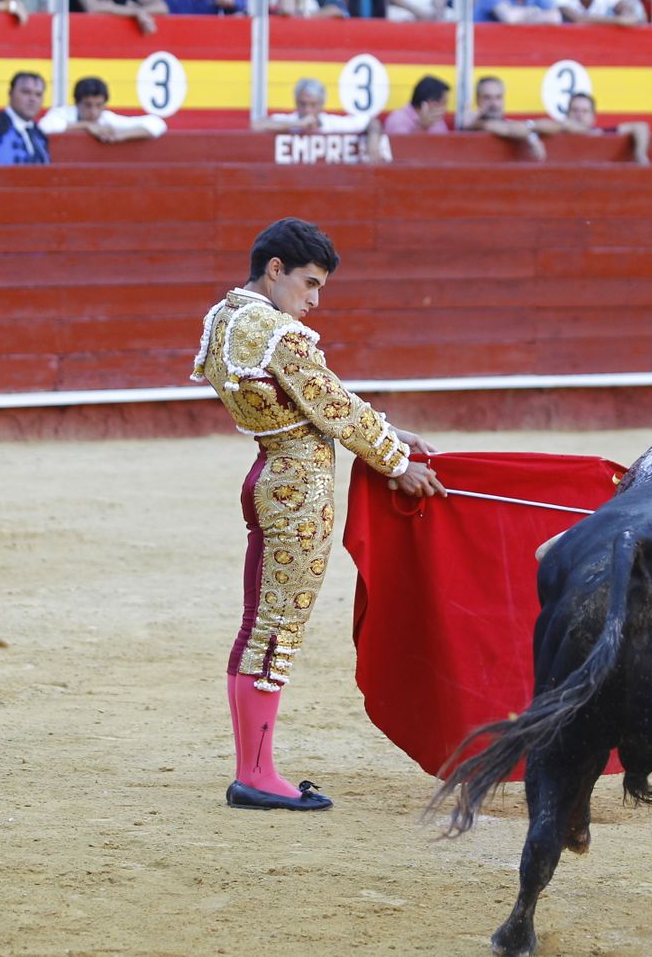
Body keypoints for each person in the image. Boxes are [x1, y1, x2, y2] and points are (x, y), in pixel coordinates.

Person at [190, 217, 444, 811]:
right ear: (274, 270)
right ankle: (255, 773)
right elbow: (327, 400)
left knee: (262, 624)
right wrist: (394, 459)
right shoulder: (277, 331)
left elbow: (317, 399)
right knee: (276, 629)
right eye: (309, 283)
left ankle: (253, 766)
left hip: (269, 473)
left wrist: (386, 432)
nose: (314, 300)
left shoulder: (226, 317)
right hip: (297, 487)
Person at [462, 74, 580, 160]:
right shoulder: (474, 123)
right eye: (487, 97)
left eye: (498, 97)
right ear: (478, 100)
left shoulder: (510, 124)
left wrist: (530, 129)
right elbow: (499, 128)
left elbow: (508, 128)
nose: (494, 103)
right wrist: (532, 137)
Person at [36, 75, 167, 142]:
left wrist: (120, 136)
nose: (94, 112)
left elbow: (157, 123)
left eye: (99, 105)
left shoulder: (107, 119)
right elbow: (44, 127)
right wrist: (86, 126)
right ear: (76, 103)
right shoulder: (63, 113)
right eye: (88, 105)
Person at [251, 78, 369, 133]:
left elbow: (369, 122)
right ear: (296, 103)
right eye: (303, 104)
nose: (307, 110)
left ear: (322, 105)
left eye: (313, 105)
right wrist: (298, 124)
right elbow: (257, 125)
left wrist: (373, 142)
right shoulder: (290, 121)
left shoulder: (331, 123)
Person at [565, 90, 650, 164]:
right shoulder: (557, 132)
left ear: (593, 117)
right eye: (575, 110)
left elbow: (641, 127)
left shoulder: (601, 133)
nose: (579, 115)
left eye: (585, 111)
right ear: (567, 114)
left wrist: (640, 155)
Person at [381, 74, 450, 134]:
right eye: (443, 103)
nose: (445, 108)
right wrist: (421, 127)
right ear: (430, 103)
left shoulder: (438, 122)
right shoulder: (397, 120)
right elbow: (402, 147)